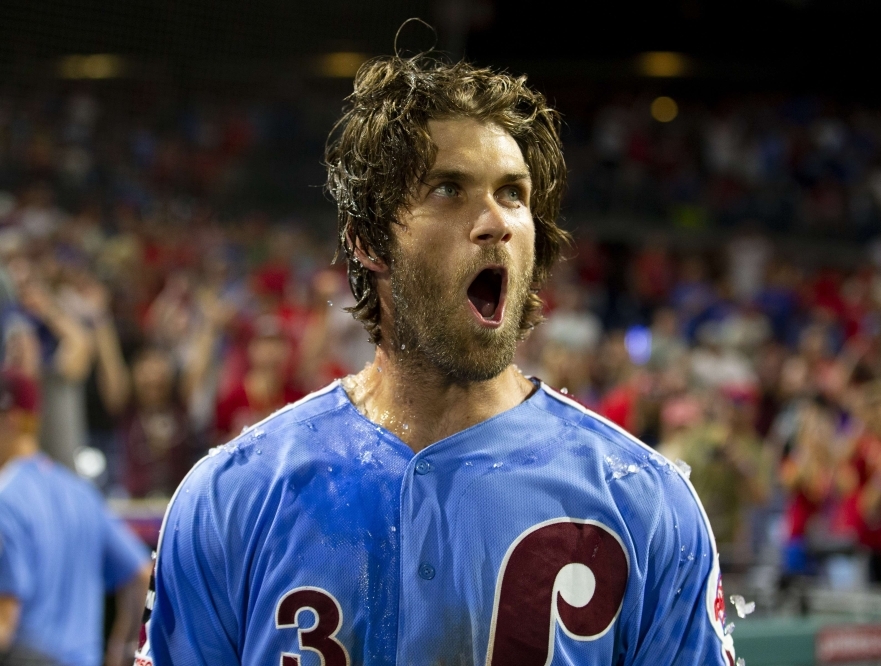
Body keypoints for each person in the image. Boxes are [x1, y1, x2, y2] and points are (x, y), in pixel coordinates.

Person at [138, 53, 737, 666]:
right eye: (449, 189)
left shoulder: (643, 504)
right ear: (367, 239)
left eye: (513, 193)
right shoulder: (232, 498)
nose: (495, 222)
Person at [0, 369, 151, 666]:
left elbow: (5, 617)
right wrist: (121, 651)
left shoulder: (5, 496)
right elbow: (143, 574)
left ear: (11, 421)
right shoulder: (80, 491)